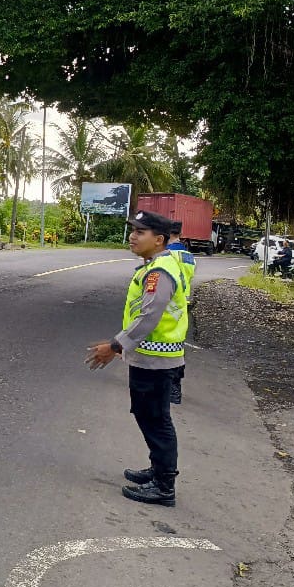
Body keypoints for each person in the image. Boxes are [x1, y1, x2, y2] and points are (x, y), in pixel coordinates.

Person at [85, 210, 188, 507]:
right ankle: (158, 470)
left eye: (141, 232)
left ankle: (164, 486)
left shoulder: (159, 272)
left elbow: (149, 318)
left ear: (158, 240)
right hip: (150, 358)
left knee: (157, 421)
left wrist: (116, 346)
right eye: (133, 230)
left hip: (157, 362)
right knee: (149, 417)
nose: (133, 236)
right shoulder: (154, 265)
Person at [165, 221, 195, 404]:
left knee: (160, 344)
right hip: (182, 304)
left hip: (168, 303)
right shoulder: (188, 255)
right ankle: (175, 389)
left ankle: (169, 387)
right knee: (177, 346)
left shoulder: (166, 255)